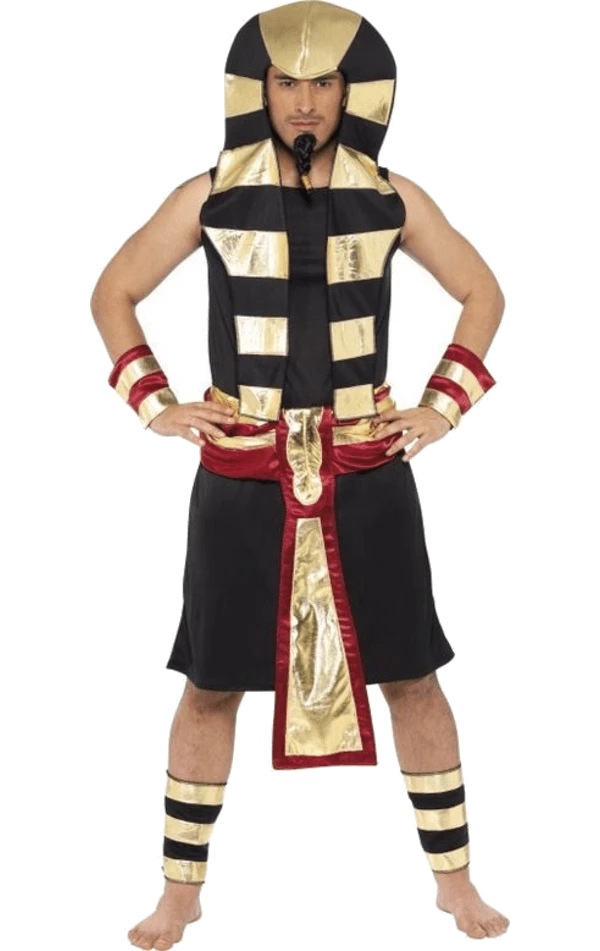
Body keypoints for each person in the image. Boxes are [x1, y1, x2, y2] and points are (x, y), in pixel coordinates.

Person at [92, 3, 509, 946]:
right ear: (260, 89)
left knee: (414, 676)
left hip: (366, 461)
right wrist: (156, 400)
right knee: (208, 684)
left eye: (324, 82)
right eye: (289, 82)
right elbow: (115, 290)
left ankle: (456, 884)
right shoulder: (207, 196)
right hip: (244, 467)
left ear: (355, 91)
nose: (307, 101)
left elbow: (481, 291)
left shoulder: (395, 197)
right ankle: (179, 895)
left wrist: (442, 403)